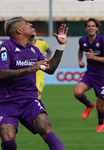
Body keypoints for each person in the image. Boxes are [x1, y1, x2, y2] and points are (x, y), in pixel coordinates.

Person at [0, 16, 68, 150]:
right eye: (26, 23)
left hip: (29, 100)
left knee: (46, 128)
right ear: (19, 30)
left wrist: (61, 45)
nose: (31, 24)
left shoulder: (34, 50)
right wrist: (29, 69)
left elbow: (50, 69)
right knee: (8, 140)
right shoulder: (6, 47)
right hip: (6, 101)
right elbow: (2, 73)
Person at [74, 18, 104, 132]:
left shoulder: (103, 40)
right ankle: (89, 105)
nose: (91, 28)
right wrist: (80, 61)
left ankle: (100, 124)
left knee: (100, 107)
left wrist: (94, 57)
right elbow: (80, 50)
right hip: (90, 74)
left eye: (93, 26)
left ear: (96, 28)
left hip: (103, 77)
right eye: (89, 26)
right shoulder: (82, 40)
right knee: (77, 93)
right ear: (86, 28)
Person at [28, 28, 52, 99]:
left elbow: (49, 51)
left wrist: (46, 60)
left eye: (33, 31)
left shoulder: (42, 44)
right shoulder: (24, 45)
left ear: (35, 33)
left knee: (36, 94)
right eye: (30, 31)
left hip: (39, 74)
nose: (32, 33)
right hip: (28, 73)